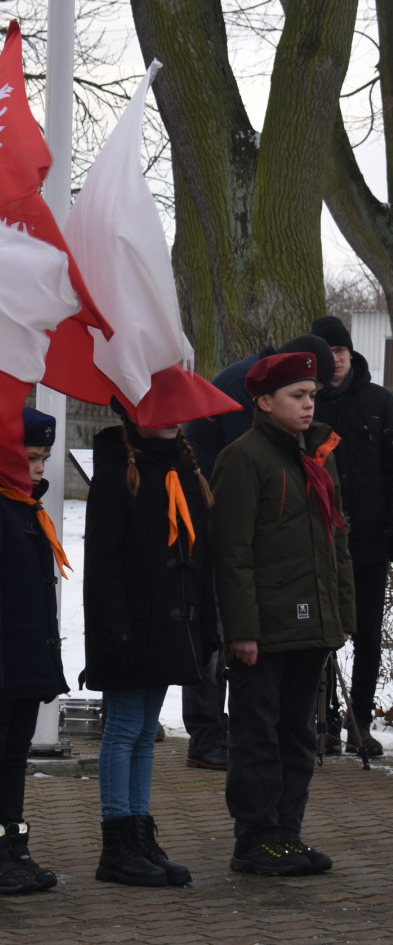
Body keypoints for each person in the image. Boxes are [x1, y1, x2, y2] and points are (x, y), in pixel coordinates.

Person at [211, 352, 354, 876]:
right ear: (265, 401)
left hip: (311, 624)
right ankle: (255, 839)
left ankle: (286, 833)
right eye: (297, 395)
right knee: (257, 736)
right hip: (265, 630)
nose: (308, 403)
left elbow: (335, 536)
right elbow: (232, 552)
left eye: (312, 394)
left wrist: (338, 613)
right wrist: (243, 629)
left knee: (297, 735)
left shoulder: (318, 453)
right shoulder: (243, 458)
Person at [182, 335, 336, 770]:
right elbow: (256, 463)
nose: (311, 404)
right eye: (304, 392)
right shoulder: (242, 393)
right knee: (216, 627)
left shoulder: (258, 378)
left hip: (226, 509)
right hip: (213, 514)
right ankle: (207, 731)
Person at [83, 403, 217, 887]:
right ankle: (117, 839)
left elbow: (198, 555)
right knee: (123, 728)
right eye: (157, 407)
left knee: (144, 731)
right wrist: (112, 632)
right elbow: (102, 560)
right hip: (131, 627)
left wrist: (205, 624)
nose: (171, 416)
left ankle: (139, 831)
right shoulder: (120, 470)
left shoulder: (183, 466)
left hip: (170, 625)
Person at [0, 407, 71, 895]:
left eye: (44, 459)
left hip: (25, 657)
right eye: (32, 459)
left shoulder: (24, 506)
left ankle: (12, 845)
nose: (41, 470)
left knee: (15, 753)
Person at [311, 315, 393, 757]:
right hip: (319, 545)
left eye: (340, 353)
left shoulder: (380, 403)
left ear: (349, 355)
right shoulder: (306, 404)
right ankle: (321, 721)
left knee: (366, 636)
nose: (336, 362)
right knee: (322, 633)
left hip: (369, 543)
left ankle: (359, 723)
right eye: (328, 355)